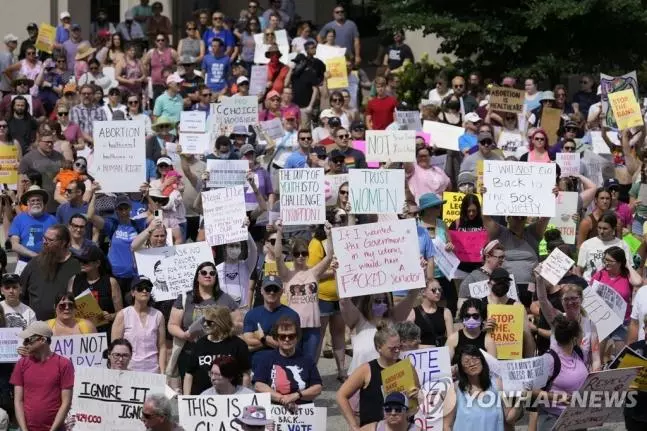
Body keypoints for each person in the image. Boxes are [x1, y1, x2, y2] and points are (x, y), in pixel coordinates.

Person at [337, 323, 415, 429]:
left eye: (399, 347)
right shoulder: (366, 370)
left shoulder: (406, 366)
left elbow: (417, 392)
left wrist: (416, 394)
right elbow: (341, 395)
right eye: (392, 348)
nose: (397, 351)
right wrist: (354, 425)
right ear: (379, 348)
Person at [167, 262, 239, 377]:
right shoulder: (185, 298)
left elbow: (238, 325)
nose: (208, 275)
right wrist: (184, 335)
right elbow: (172, 325)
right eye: (204, 272)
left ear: (216, 277)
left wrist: (223, 330)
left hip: (218, 356)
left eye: (212, 273)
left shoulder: (226, 299)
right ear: (197, 277)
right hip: (189, 353)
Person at [274, 220, 333, 360]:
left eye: (303, 253)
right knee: (293, 359)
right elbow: (277, 257)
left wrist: (329, 235)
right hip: (294, 326)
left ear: (307, 254)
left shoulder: (314, 272)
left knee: (310, 360)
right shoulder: (287, 274)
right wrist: (279, 232)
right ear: (292, 255)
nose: (300, 256)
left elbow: (329, 257)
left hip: (313, 326)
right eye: (297, 253)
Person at [10, 321, 74, 431]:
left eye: (28, 340)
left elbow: (66, 402)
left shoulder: (64, 364)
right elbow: (18, 401)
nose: (25, 344)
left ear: (42, 340)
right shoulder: (21, 364)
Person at [254, 315, 323, 408]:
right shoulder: (267, 358)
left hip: (302, 410)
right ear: (276, 338)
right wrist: (282, 399)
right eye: (282, 336)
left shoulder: (306, 359)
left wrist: (296, 395)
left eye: (291, 336)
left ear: (297, 337)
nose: (287, 339)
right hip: (275, 408)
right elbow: (258, 385)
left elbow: (317, 387)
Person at [445, 344, 516, 430]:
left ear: (482, 360)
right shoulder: (455, 389)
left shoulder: (498, 384)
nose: (472, 364)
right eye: (466, 361)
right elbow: (447, 425)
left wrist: (522, 398)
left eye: (475, 359)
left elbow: (509, 418)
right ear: (461, 368)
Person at [184, 305, 250, 395]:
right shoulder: (200, 344)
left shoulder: (238, 344)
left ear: (221, 323)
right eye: (204, 321)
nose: (205, 324)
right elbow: (189, 374)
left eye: (209, 322)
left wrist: (242, 397)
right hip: (201, 399)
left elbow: (245, 374)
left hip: (230, 398)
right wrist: (187, 398)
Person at [20, 224, 81, 321]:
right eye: (44, 238)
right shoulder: (35, 263)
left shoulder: (77, 266)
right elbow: (21, 293)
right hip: (36, 325)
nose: (45, 242)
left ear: (63, 243)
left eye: (50, 240)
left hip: (66, 326)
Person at [112, 276, 166, 373]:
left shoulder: (158, 315)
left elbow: (162, 346)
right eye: (140, 288)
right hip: (129, 370)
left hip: (153, 370)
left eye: (148, 288)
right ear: (133, 293)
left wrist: (162, 371)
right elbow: (115, 347)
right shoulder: (123, 315)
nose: (144, 291)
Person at [243, 275, 299, 365]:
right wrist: (275, 342)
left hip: (283, 363)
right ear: (261, 291)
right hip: (257, 363)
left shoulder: (291, 315)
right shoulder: (251, 315)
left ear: (281, 291)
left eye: (275, 289)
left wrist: (263, 337)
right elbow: (247, 345)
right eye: (268, 289)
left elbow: (289, 346)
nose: (271, 292)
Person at [68, 245, 123, 331]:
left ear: (97, 263)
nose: (81, 263)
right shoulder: (74, 280)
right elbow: (68, 305)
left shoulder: (111, 282)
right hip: (82, 330)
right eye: (80, 260)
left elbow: (120, 312)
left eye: (85, 261)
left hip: (105, 331)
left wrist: (110, 316)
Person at [577, 211, 632, 281]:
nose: (601, 231)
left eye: (605, 229)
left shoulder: (623, 245)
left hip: (614, 285)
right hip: (590, 285)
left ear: (614, 228)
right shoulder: (587, 244)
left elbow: (629, 269)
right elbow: (579, 270)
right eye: (599, 228)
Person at [9, 185, 56, 261]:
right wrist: (35, 256)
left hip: (48, 261)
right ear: (27, 203)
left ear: (43, 202)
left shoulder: (52, 219)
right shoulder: (19, 219)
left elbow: (58, 241)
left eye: (38, 200)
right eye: (32, 200)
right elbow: (14, 244)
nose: (36, 203)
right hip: (25, 262)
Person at [446, 298, 497, 363]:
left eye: (475, 316)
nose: (471, 319)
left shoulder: (488, 341)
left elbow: (493, 367)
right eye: (467, 316)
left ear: (482, 318)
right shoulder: (453, 339)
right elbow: (445, 366)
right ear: (463, 317)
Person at [407, 279, 453, 347]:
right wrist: (427, 347)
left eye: (439, 290)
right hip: (421, 353)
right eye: (434, 290)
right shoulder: (413, 313)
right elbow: (408, 342)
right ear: (423, 292)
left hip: (441, 352)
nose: (438, 292)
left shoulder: (446, 312)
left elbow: (451, 339)